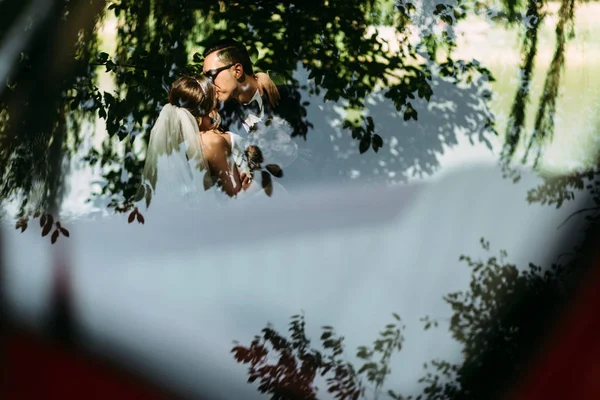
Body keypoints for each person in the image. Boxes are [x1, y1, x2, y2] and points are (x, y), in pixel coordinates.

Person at [201, 38, 333, 189]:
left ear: (237, 71)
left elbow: (325, 152)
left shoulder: (291, 98)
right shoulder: (222, 119)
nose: (210, 83)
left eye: (212, 75)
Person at [135, 75, 251, 208]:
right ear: (206, 109)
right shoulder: (212, 142)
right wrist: (260, 181)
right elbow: (237, 198)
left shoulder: (179, 145)